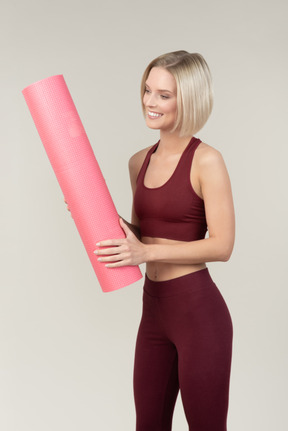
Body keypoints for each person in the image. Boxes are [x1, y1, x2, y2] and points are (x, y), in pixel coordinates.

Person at [94, 51, 235, 431]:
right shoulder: (139, 161)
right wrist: (93, 211)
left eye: (163, 95)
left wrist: (145, 251)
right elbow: (142, 233)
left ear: (187, 99)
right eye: (146, 90)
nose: (149, 102)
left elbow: (222, 246)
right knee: (149, 425)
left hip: (198, 313)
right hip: (154, 311)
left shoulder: (207, 161)